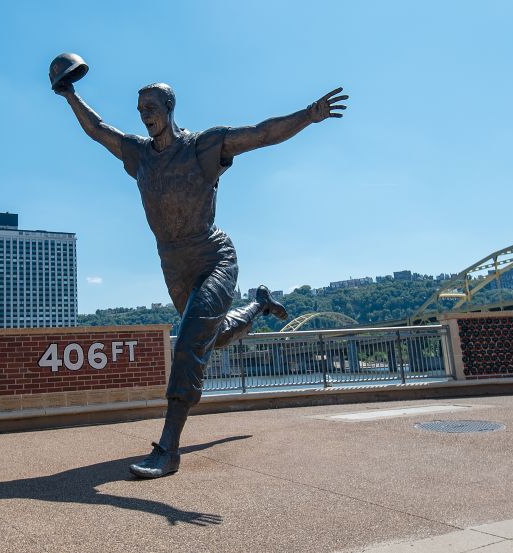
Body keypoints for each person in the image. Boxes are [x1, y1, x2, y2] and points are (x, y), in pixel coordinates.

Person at [54, 78, 347, 478]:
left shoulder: (202, 147)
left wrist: (308, 116)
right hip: (174, 266)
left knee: (189, 343)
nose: (145, 114)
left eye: (152, 107)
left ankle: (168, 449)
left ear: (170, 107)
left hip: (214, 259)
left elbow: (261, 134)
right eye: (141, 109)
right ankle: (259, 303)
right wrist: (70, 94)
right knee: (216, 335)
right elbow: (97, 130)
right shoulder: (140, 156)